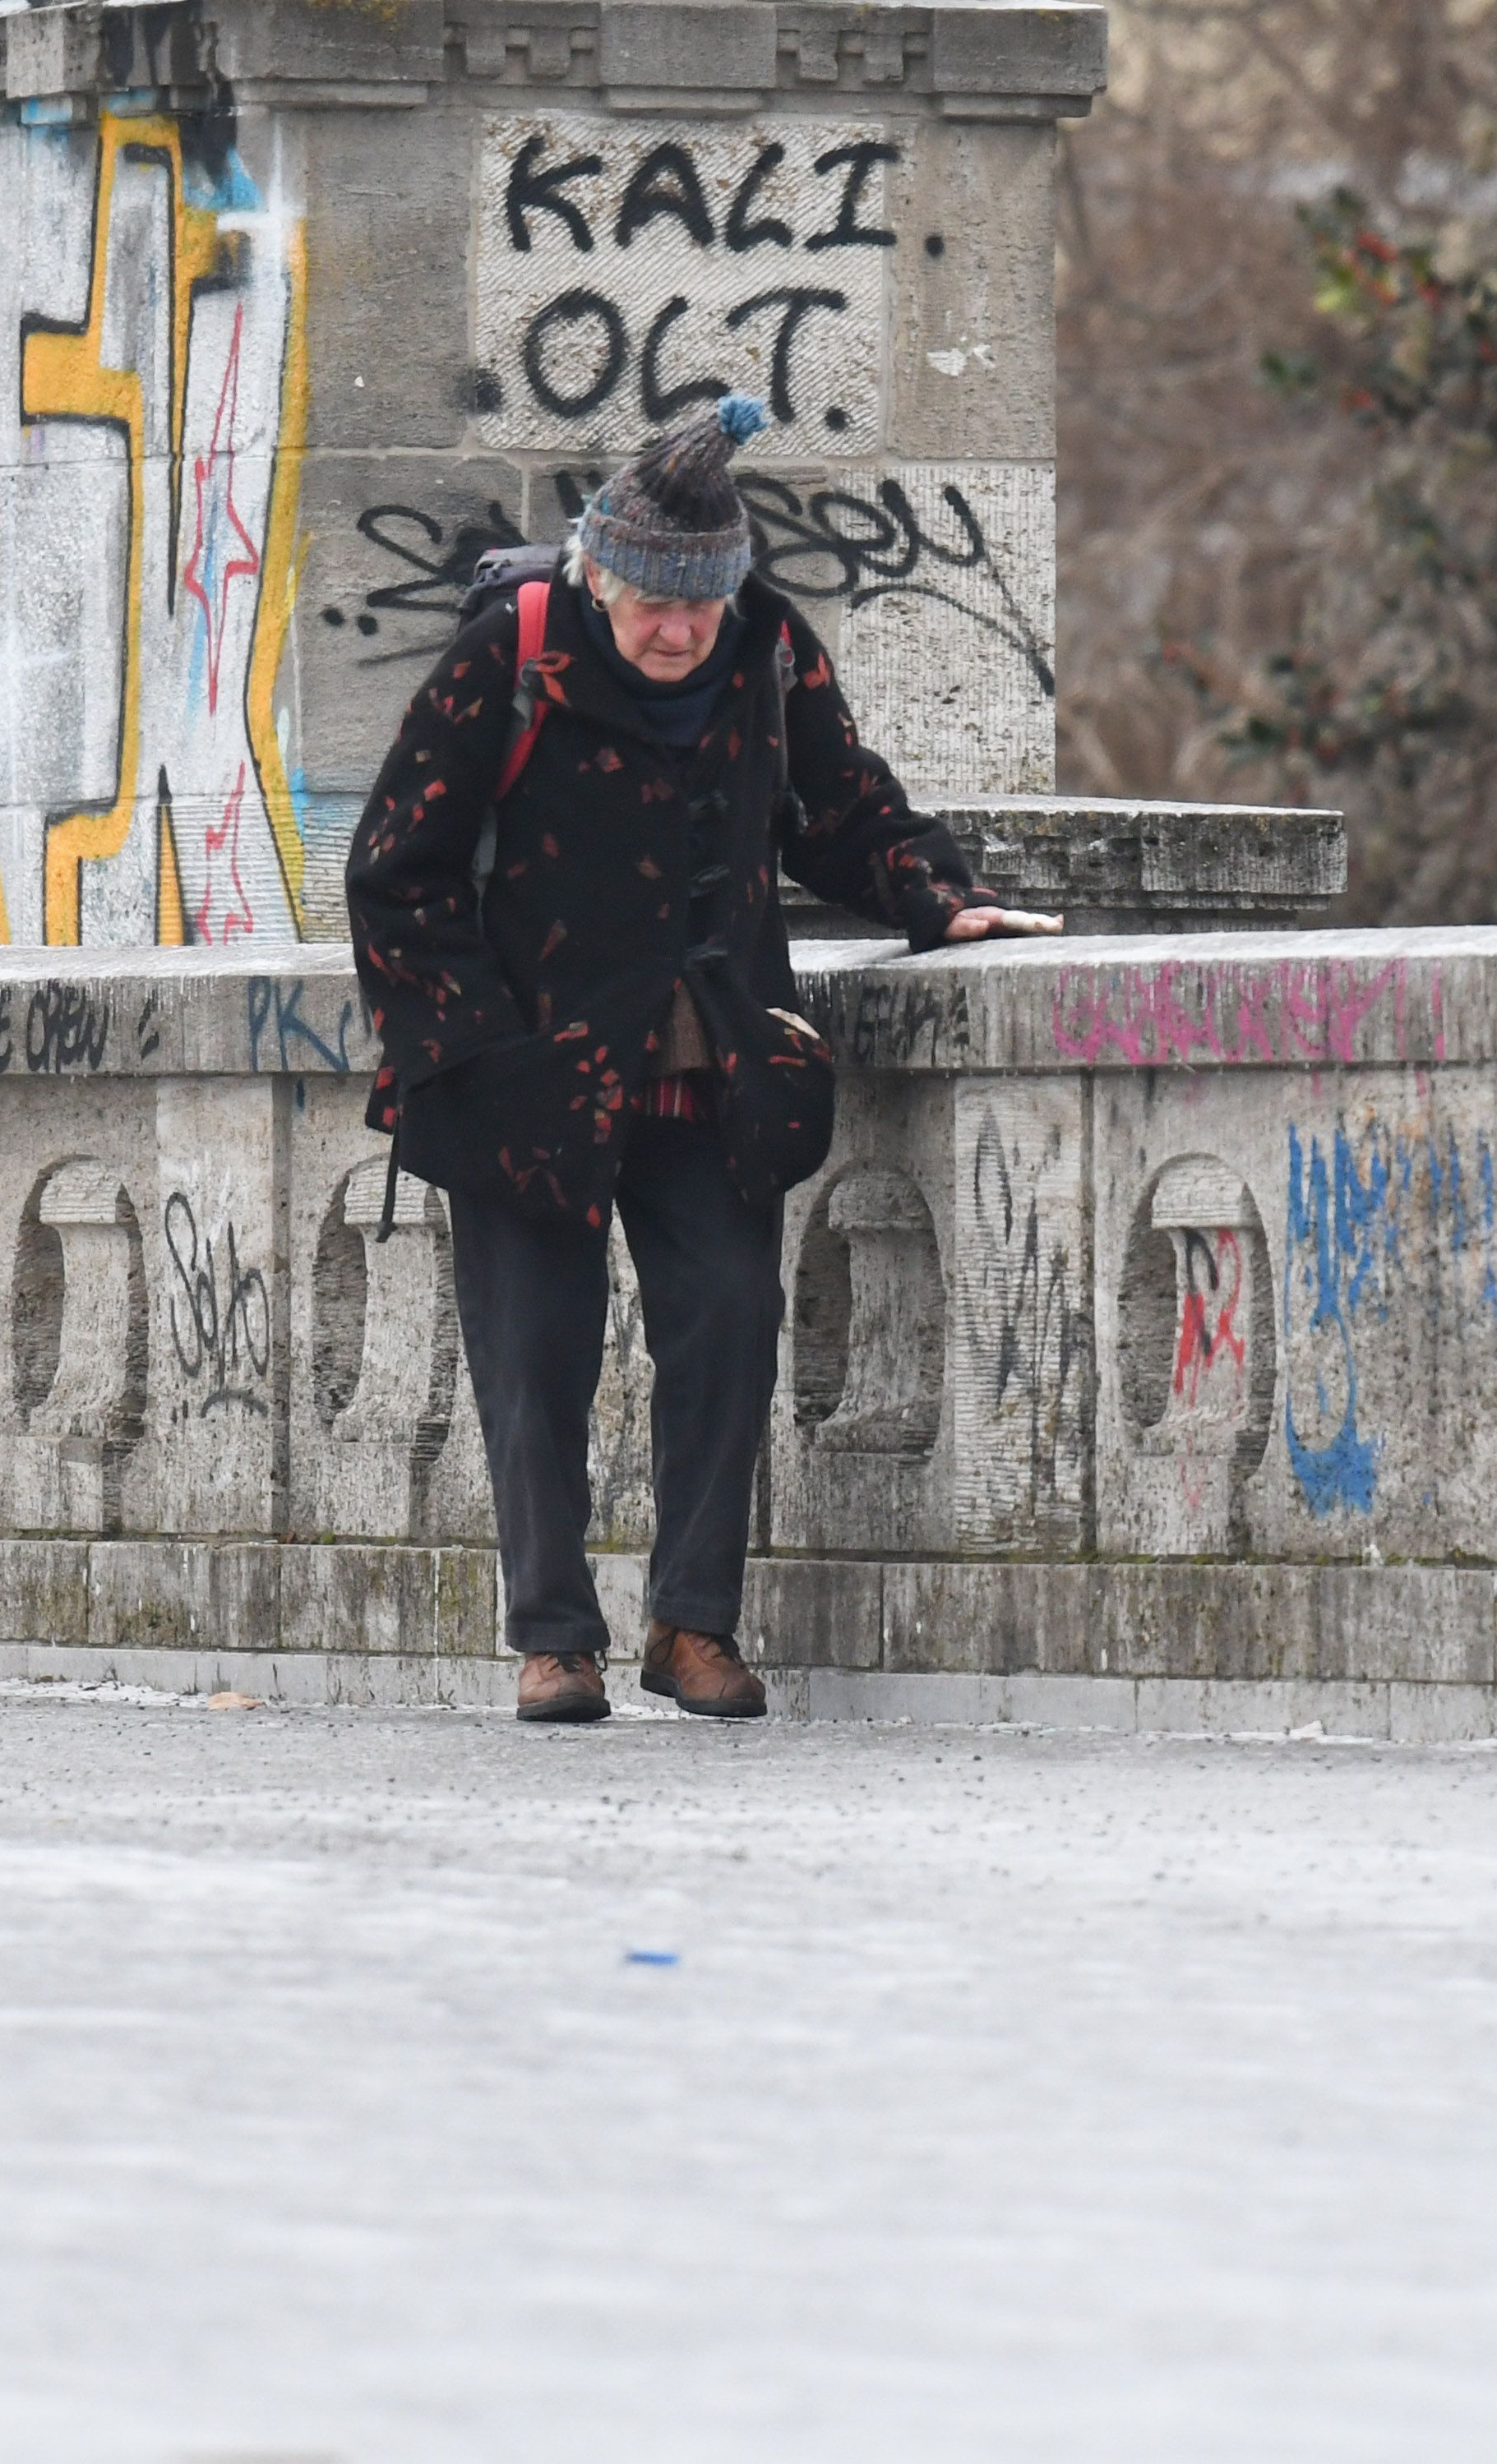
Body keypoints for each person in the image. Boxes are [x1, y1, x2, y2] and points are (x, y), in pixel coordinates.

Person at [345, 395, 1059, 1726]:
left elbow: (838, 806)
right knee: (535, 1350)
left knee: (729, 1318)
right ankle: (555, 1641)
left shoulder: (766, 652)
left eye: (702, 604)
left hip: (707, 1065)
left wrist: (934, 895)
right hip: (525, 1080)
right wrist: (473, 1044)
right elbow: (396, 871)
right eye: (654, 604)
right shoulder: (515, 651)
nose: (678, 630)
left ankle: (692, 1624)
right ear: (601, 577)